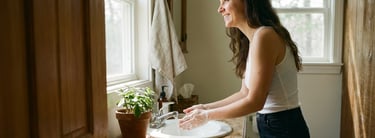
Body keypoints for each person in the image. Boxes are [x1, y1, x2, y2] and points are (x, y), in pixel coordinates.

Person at [178, 0, 310, 137]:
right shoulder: (254, 39)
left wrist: (207, 115)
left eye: (226, 1)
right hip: (275, 124)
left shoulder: (265, 36)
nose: (220, 9)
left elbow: (255, 102)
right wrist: (205, 108)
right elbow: (244, 93)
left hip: (283, 126)